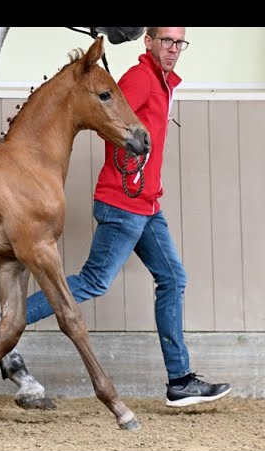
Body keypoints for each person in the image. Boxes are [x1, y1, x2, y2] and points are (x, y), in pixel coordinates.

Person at [25, 27, 232, 407]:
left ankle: (180, 381)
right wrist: (131, 174)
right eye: (166, 41)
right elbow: (113, 125)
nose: (173, 49)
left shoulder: (162, 81)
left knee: (172, 278)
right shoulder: (138, 79)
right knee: (93, 281)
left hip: (148, 206)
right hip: (124, 204)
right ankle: (6, 319)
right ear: (148, 41)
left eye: (179, 43)